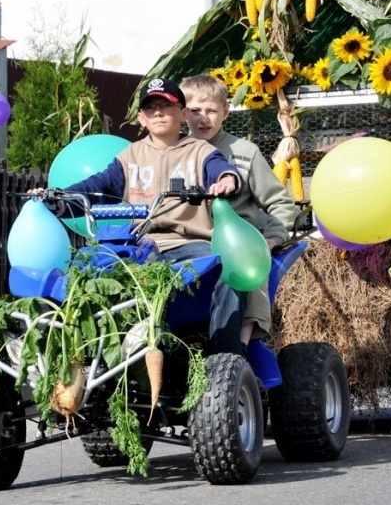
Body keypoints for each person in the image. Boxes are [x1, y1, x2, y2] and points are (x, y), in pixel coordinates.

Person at [56, 77, 245, 354]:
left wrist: (227, 180)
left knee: (226, 275)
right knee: (80, 275)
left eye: (166, 106)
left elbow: (221, 169)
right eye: (150, 107)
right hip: (138, 246)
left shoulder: (201, 151)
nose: (158, 112)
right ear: (141, 118)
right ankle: (81, 356)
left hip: (190, 246)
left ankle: (226, 361)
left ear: (182, 113)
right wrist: (59, 197)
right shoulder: (129, 155)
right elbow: (95, 186)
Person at [181, 73, 296, 347]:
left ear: (226, 112)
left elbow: (279, 201)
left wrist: (272, 239)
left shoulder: (245, 152)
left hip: (236, 242)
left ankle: (240, 350)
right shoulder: (176, 152)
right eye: (195, 111)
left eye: (211, 110)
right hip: (188, 242)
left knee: (245, 270)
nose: (203, 118)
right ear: (184, 113)